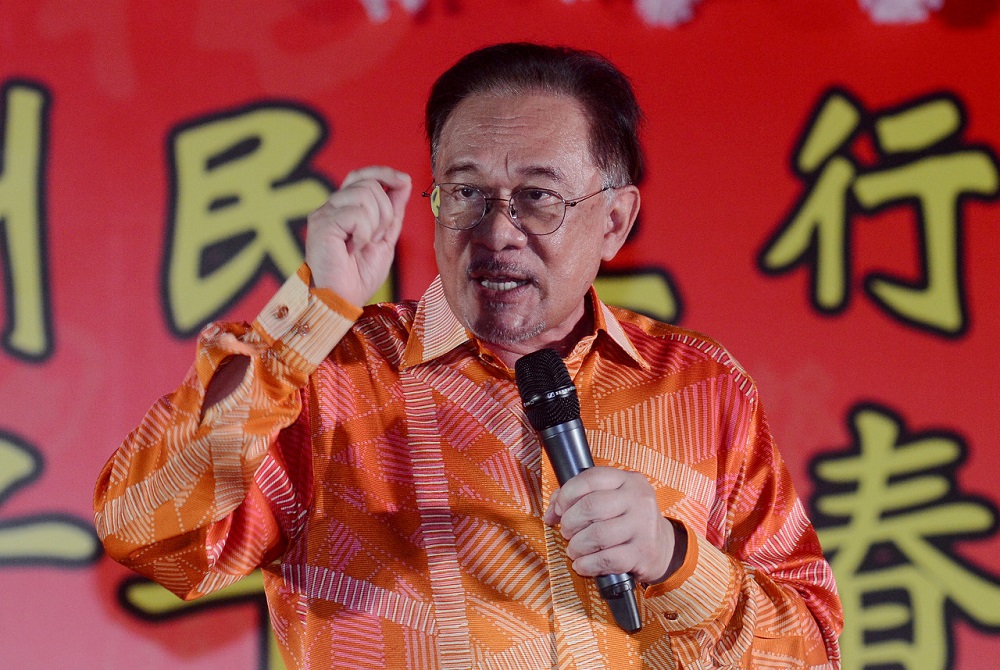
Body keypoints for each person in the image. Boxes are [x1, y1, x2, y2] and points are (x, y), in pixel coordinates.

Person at [94, 42, 843, 668]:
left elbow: (811, 650)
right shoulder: (333, 377)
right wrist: (308, 317)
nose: (498, 231)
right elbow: (148, 532)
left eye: (538, 197)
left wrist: (674, 558)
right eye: (467, 193)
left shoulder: (700, 386)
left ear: (614, 222)